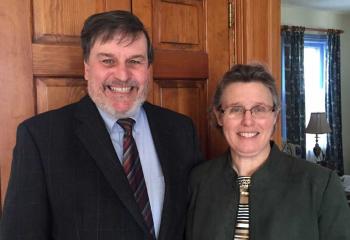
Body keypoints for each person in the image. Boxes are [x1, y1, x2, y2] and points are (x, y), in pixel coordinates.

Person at [0, 10, 202, 240]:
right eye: (108, 61)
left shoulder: (180, 130)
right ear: (87, 68)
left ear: (148, 68)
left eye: (135, 61)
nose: (123, 75)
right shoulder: (40, 138)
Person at [185, 63, 350, 240]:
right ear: (219, 116)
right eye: (235, 109)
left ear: (275, 117)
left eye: (259, 109)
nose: (248, 121)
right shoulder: (198, 181)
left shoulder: (320, 185)